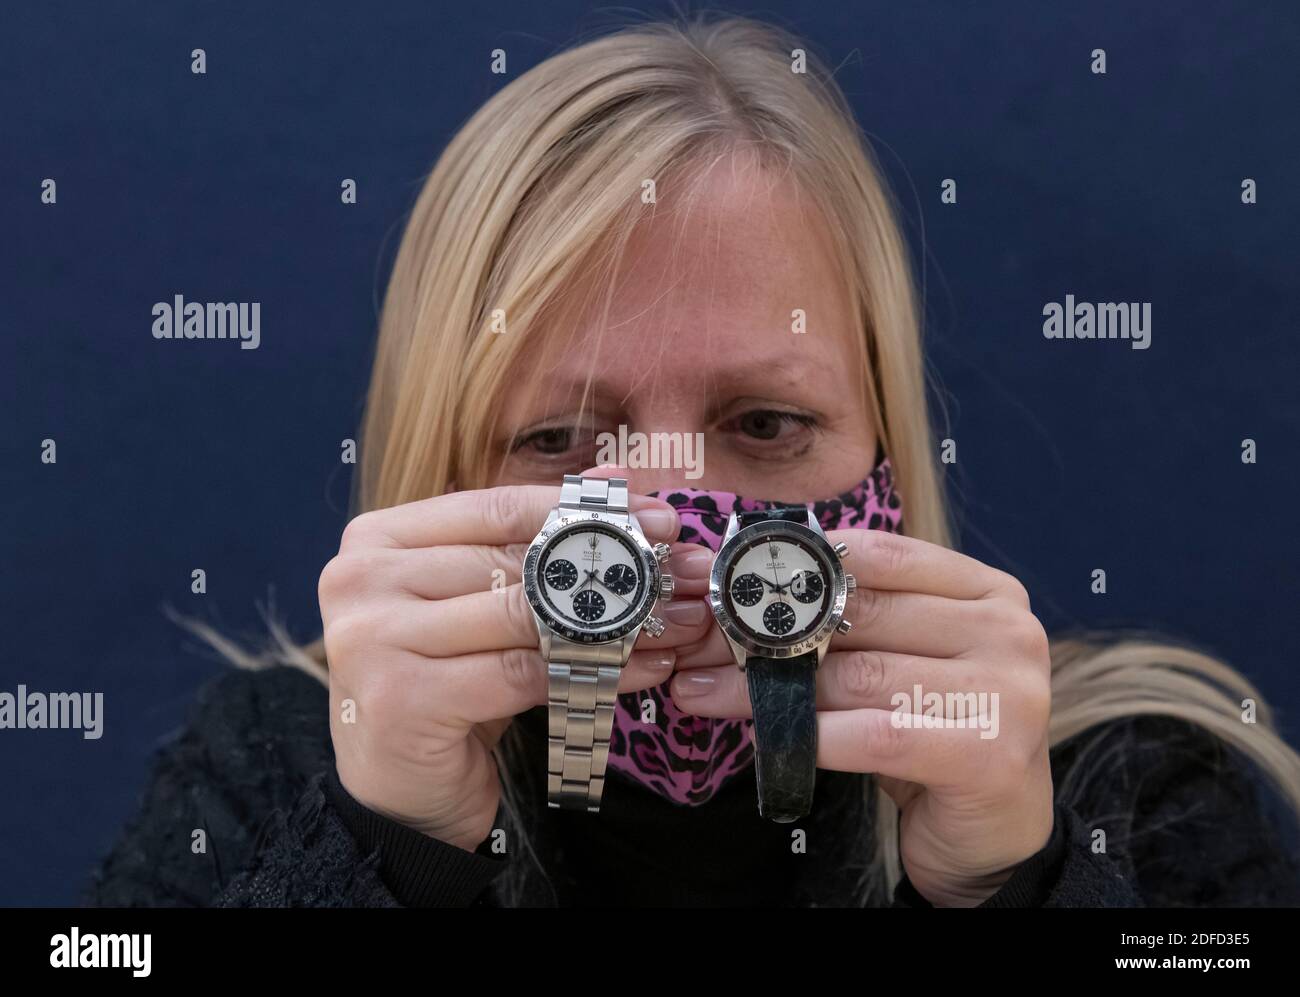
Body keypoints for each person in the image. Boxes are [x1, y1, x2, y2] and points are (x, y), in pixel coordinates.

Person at [88, 14, 1300, 908]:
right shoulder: (271, 767)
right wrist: (390, 847)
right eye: (560, 440)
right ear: (445, 468)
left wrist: (1013, 883)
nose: (663, 516)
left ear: (879, 437)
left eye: (765, 425)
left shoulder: (1121, 790)